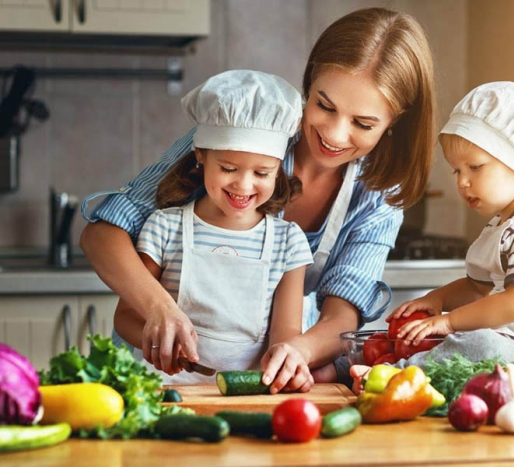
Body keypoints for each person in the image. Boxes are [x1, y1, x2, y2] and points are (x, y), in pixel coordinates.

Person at [79, 7, 436, 393]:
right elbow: (102, 235)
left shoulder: (378, 196)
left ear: (394, 121)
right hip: (154, 375)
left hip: (250, 382)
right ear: (310, 79)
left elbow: (340, 316)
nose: (334, 133)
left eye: (363, 124)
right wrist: (159, 310)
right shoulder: (240, 132)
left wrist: (296, 352)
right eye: (324, 106)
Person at [351, 82, 514, 387]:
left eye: (475, 167)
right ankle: (357, 364)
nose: (463, 182)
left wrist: (449, 321)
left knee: (482, 345)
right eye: (457, 171)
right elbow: (476, 288)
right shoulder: (504, 225)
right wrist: (436, 299)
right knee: (466, 338)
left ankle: (396, 375)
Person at [111, 70, 314, 385]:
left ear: (278, 169)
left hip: (245, 395)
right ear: (200, 155)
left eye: (262, 173)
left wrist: (285, 366)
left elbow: (285, 337)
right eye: (229, 168)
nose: (244, 185)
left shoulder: (288, 243)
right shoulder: (165, 227)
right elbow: (126, 317)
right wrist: (160, 344)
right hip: (166, 389)